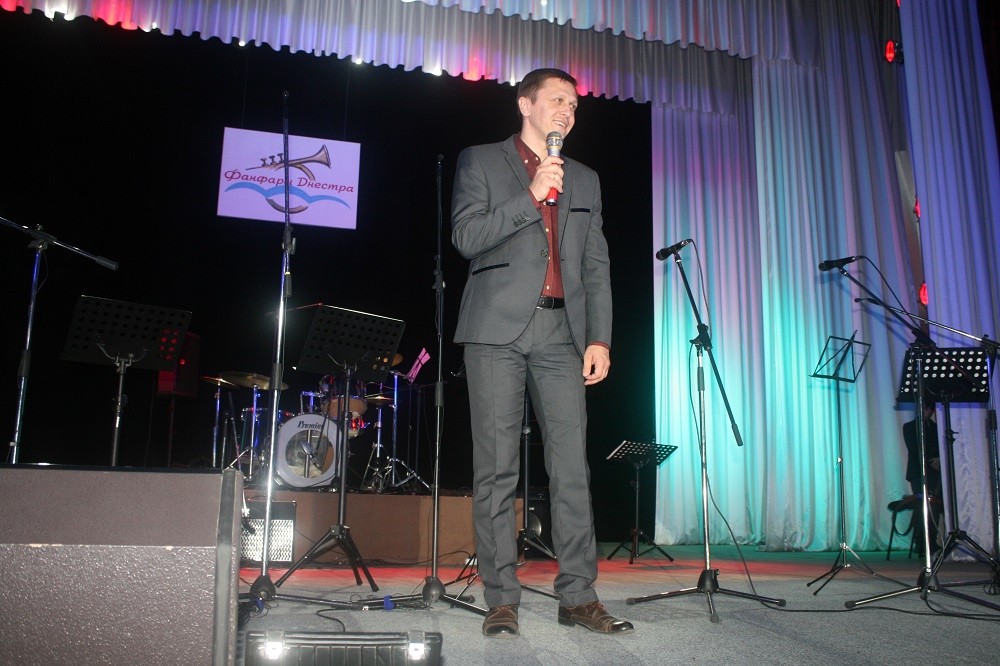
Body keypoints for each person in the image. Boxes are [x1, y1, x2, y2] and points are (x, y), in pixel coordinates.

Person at [451, 68, 632, 638]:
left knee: (572, 468)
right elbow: (466, 238)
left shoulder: (586, 179)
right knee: (497, 469)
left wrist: (599, 337)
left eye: (574, 105)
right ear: (525, 104)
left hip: (561, 334)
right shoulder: (481, 161)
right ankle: (501, 598)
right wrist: (530, 195)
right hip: (495, 331)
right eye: (557, 100)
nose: (567, 112)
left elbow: (596, 264)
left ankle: (577, 596)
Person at [902, 404, 943, 554]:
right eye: (921, 408)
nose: (923, 411)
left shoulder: (937, 428)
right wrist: (933, 459)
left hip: (935, 472)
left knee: (934, 506)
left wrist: (939, 459)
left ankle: (930, 541)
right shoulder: (910, 427)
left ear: (931, 411)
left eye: (927, 409)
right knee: (923, 505)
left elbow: (941, 447)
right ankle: (921, 542)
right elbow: (915, 449)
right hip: (918, 473)